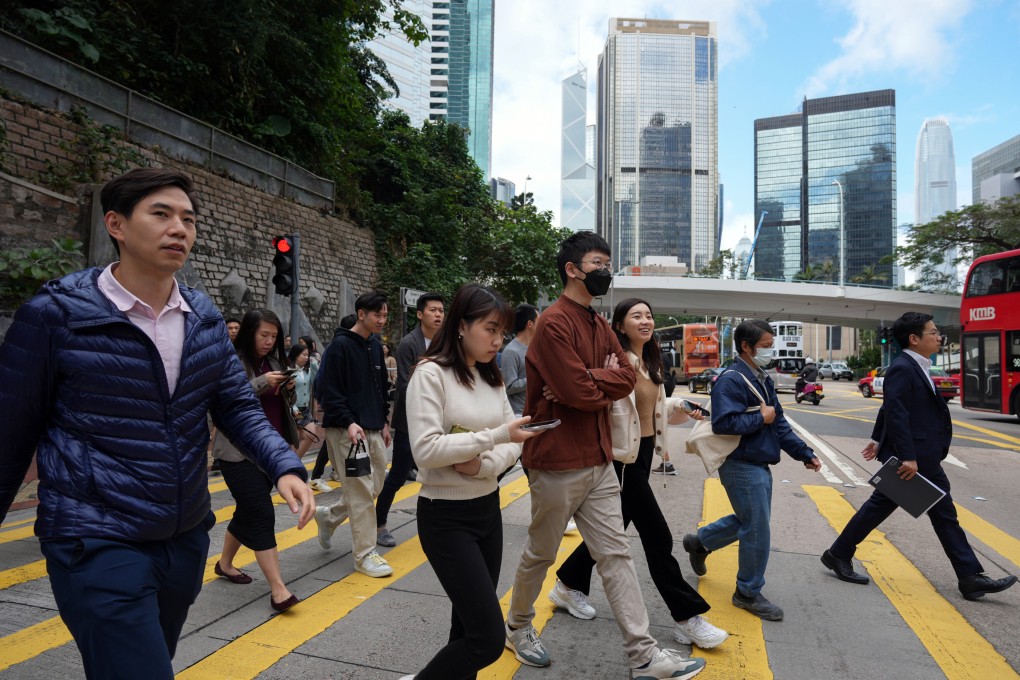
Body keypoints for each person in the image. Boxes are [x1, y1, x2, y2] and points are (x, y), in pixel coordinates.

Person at [0, 168, 313, 680]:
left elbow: (236, 406)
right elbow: (9, 434)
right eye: (161, 214)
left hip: (183, 537)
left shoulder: (201, 317)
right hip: (95, 535)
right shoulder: (56, 315)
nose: (179, 229)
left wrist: (284, 465)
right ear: (116, 225)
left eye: (188, 219)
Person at [504, 232, 705, 680]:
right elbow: (580, 390)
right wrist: (594, 382)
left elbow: (621, 381)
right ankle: (517, 627)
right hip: (556, 459)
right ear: (572, 269)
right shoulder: (553, 323)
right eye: (597, 263)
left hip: (599, 459)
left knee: (616, 555)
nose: (605, 271)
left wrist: (586, 382)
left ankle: (644, 655)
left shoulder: (598, 324)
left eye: (608, 264)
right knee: (541, 552)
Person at [550, 298, 728, 650]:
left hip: (643, 454)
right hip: (622, 460)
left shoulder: (649, 360)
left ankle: (567, 584)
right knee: (658, 537)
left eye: (648, 315)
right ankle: (686, 617)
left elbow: (648, 407)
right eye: (636, 316)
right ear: (619, 325)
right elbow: (591, 398)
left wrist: (679, 405)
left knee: (612, 530)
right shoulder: (614, 361)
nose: (645, 321)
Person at [821, 312, 1018, 600]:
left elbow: (891, 407)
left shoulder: (916, 366)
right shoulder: (904, 367)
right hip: (917, 458)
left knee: (908, 509)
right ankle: (969, 577)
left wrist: (876, 439)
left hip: (921, 455)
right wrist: (908, 456)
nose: (939, 337)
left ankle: (838, 553)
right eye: (933, 332)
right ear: (914, 339)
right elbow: (896, 412)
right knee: (941, 513)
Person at [399, 284, 542, 680]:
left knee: (465, 628)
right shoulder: (430, 374)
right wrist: (494, 437)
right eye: (490, 329)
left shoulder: (490, 376)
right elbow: (426, 450)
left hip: (487, 509)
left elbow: (514, 445)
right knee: (487, 640)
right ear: (461, 325)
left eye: (502, 332)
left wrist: (480, 466)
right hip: (445, 517)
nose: (498, 341)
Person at [681, 320, 821, 622]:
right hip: (740, 463)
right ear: (747, 347)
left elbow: (779, 423)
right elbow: (723, 423)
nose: (772, 350)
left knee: (751, 522)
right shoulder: (731, 380)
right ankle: (747, 592)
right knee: (757, 528)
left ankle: (701, 542)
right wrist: (761, 419)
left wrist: (804, 453)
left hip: (758, 461)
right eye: (766, 346)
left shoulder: (761, 378)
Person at [212, 309, 303, 612]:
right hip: (237, 452)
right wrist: (263, 381)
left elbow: (284, 405)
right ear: (249, 332)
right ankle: (278, 589)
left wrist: (288, 389)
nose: (269, 341)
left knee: (248, 510)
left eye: (274, 336)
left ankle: (224, 563)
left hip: (270, 453)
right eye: (264, 335)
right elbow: (227, 400)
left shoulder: (275, 362)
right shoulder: (231, 362)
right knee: (262, 513)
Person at [314, 291, 394, 577]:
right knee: (360, 491)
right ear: (361, 314)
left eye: (385, 315)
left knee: (375, 485)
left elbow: (381, 386)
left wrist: (384, 421)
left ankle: (329, 516)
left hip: (373, 427)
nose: (382, 320)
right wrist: (348, 422)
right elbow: (330, 392)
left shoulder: (375, 346)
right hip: (347, 431)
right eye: (377, 315)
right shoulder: (339, 347)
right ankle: (364, 555)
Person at [376, 292, 445, 547]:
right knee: (398, 475)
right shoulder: (409, 344)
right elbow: (405, 386)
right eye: (433, 310)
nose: (438, 315)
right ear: (419, 314)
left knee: (438, 474)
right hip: (410, 421)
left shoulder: (444, 342)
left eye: (441, 310)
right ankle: (379, 523)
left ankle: (439, 524)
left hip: (438, 420)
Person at [308, 315, 356, 491]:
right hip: (337, 404)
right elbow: (322, 377)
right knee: (332, 441)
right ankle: (317, 476)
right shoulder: (337, 347)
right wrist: (322, 400)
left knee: (337, 441)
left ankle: (333, 473)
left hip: (341, 403)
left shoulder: (346, 346)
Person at [502, 303, 539, 417]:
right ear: (530, 324)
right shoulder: (511, 351)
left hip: (537, 411)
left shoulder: (536, 348)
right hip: (519, 414)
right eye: (539, 320)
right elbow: (509, 387)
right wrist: (535, 377)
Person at [288, 342, 319, 459]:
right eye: (304, 355)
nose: (306, 357)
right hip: (293, 408)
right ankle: (292, 464)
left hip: (304, 408)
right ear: (296, 355)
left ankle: (295, 462)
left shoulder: (308, 370)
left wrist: (314, 365)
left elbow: (316, 381)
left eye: (308, 355)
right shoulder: (288, 370)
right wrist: (293, 407)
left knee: (311, 435)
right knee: (295, 439)